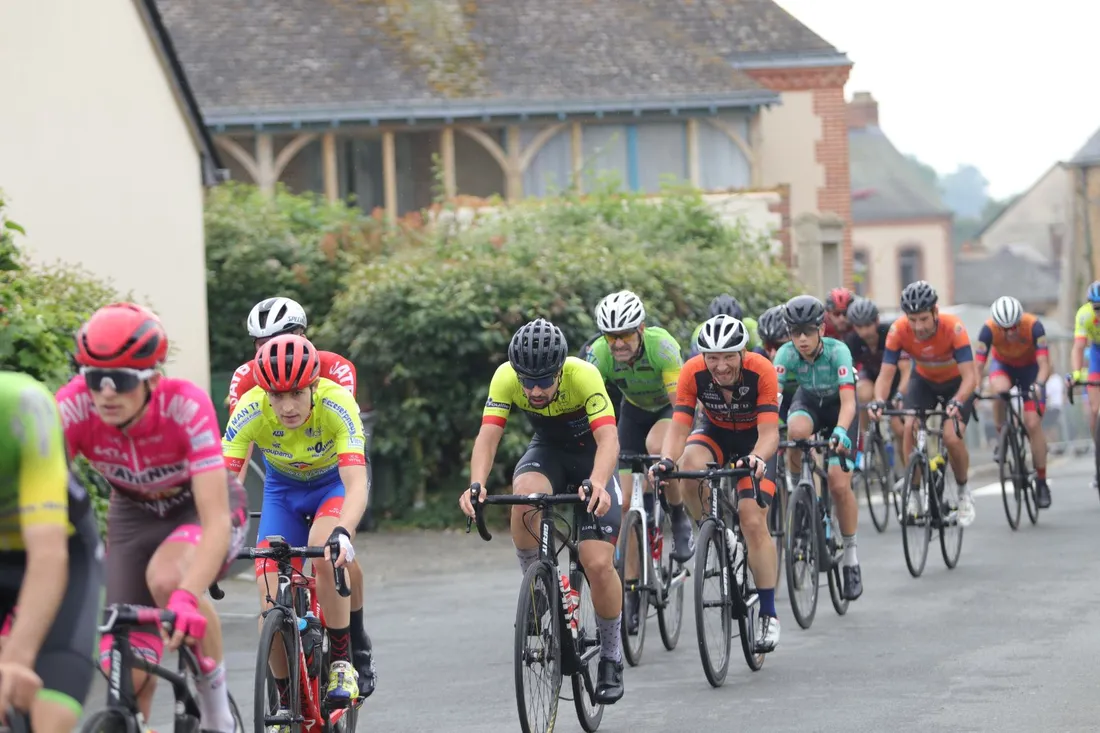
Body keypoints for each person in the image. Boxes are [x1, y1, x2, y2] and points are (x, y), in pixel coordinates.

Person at [55, 303, 248, 733]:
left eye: (120, 381)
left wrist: (186, 596)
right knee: (126, 666)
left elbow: (215, 519)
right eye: (94, 379)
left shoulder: (185, 405)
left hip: (197, 509)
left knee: (167, 579)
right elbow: (45, 504)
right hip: (132, 514)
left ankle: (218, 713)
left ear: (153, 380)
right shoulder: (71, 408)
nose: (106, 393)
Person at [459, 318, 626, 704]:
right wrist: (477, 484)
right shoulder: (505, 378)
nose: (534, 390)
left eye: (543, 382)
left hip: (592, 460)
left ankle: (612, 656)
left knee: (597, 563)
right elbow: (488, 437)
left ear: (559, 370)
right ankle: (536, 588)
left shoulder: (583, 376)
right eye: (527, 381)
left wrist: (599, 482)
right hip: (548, 453)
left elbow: (608, 439)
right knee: (524, 496)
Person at [227, 296, 375, 693]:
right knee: (268, 593)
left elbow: (356, 480)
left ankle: (343, 659)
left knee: (325, 552)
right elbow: (228, 477)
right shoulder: (248, 398)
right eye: (277, 396)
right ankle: (283, 698)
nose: (286, 405)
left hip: (332, 483)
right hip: (282, 489)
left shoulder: (335, 388)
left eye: (296, 394)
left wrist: (343, 530)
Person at [651, 315, 782, 651]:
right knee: (687, 466)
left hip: (755, 444)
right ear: (703, 356)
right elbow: (679, 427)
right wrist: (665, 460)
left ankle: (768, 614)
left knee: (753, 521)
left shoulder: (761, 370)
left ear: (742, 353)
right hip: (716, 434)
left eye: (728, 357)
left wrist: (757, 459)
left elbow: (770, 434)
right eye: (713, 357)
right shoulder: (692, 371)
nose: (720, 366)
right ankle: (711, 529)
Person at [0, 371, 102, 733]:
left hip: (64, 552)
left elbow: (48, 554)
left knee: (50, 716)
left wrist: (17, 658)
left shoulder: (23, 404)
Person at [585, 291, 689, 632]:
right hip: (632, 414)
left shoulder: (662, 347)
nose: (617, 343)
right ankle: (630, 592)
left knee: (659, 447)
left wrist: (671, 454)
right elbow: (583, 405)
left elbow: (681, 408)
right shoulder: (598, 354)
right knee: (625, 503)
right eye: (610, 336)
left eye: (625, 334)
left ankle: (677, 514)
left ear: (641, 328)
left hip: (666, 411)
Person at [773, 295, 863, 600]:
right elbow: (772, 406)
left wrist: (840, 431)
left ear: (821, 329)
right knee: (795, 432)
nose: (801, 339)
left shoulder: (839, 352)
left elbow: (849, 402)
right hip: (809, 402)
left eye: (808, 331)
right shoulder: (784, 356)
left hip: (840, 409)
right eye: (795, 332)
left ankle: (850, 557)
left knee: (839, 485)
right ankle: (802, 488)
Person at [868, 281, 978, 526]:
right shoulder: (899, 331)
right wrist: (878, 401)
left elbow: (971, 377)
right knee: (909, 427)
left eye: (923, 319)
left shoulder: (954, 329)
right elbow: (885, 375)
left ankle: (963, 492)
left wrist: (958, 401)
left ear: (935, 313)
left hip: (956, 385)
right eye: (912, 319)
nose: (918, 326)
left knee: (951, 437)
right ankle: (915, 493)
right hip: (924, 382)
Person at [975, 296, 1052, 507]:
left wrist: (1039, 384)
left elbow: (1044, 363)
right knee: (999, 391)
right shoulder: (988, 330)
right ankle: (1003, 436)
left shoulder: (1034, 326)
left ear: (1020, 320)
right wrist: (974, 388)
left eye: (1014, 327)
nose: (1010, 333)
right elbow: (978, 365)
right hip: (1004, 366)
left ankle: (1042, 481)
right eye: (1004, 329)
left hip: (1031, 370)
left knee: (1033, 423)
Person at [844, 297, 911, 480]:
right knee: (862, 392)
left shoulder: (890, 333)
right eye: (858, 326)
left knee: (899, 430)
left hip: (895, 381)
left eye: (867, 325)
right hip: (871, 378)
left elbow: (906, 371)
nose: (863, 331)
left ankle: (908, 474)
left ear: (876, 321)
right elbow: (847, 373)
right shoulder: (853, 340)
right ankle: (866, 438)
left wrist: (899, 395)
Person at [688, 295, 761, 357]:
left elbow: (760, 356)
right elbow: (695, 361)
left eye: (731, 327)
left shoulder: (751, 327)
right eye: (718, 328)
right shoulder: (700, 331)